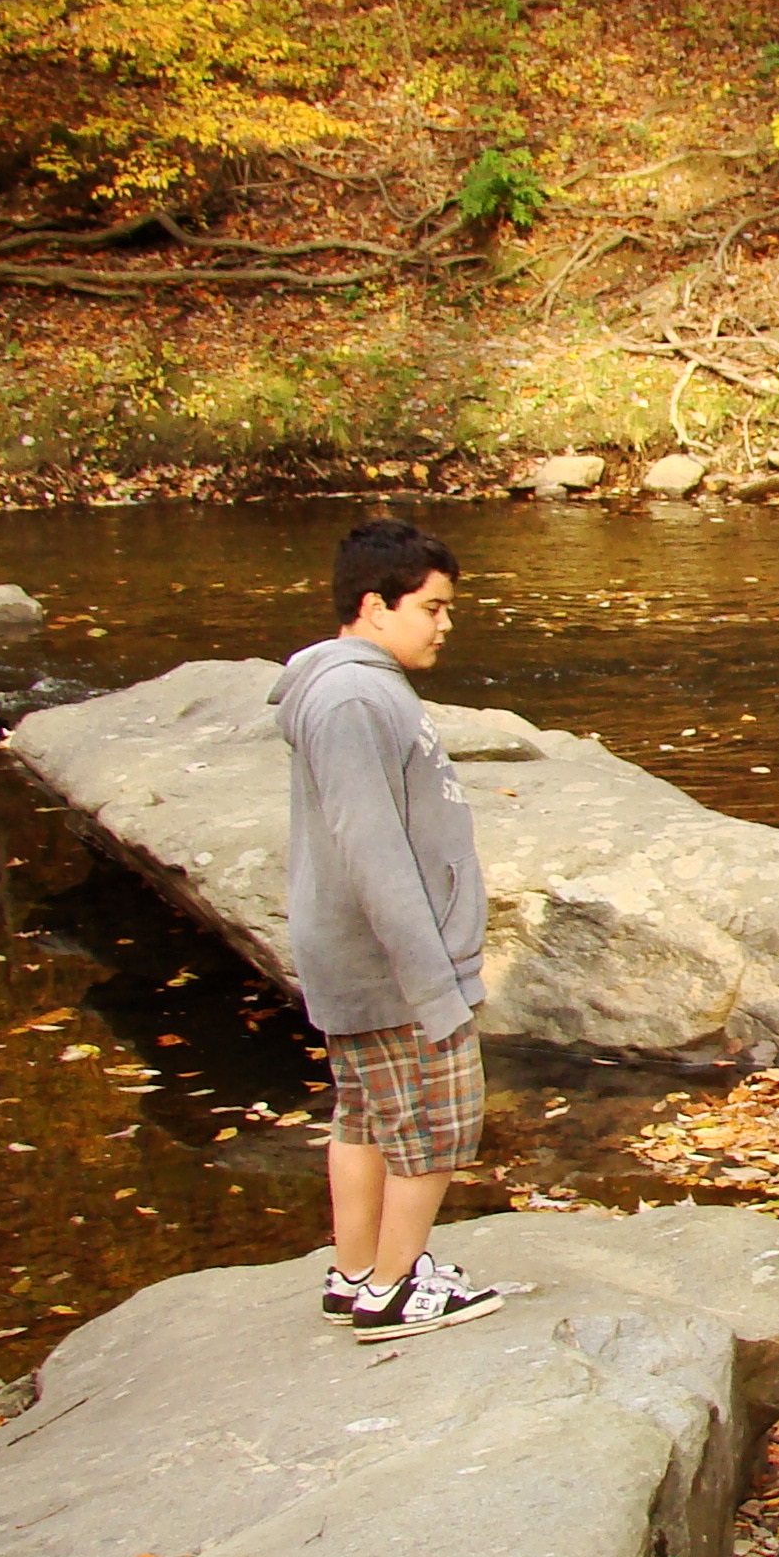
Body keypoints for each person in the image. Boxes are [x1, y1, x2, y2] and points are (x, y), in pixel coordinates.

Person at [270, 518, 504, 1343]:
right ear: (375, 605)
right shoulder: (352, 697)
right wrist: (432, 981)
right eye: (433, 608)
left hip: (374, 961)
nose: (446, 624)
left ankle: (359, 1272)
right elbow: (370, 848)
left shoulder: (361, 687)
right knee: (437, 1121)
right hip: (395, 964)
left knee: (366, 1117)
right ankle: (396, 1290)